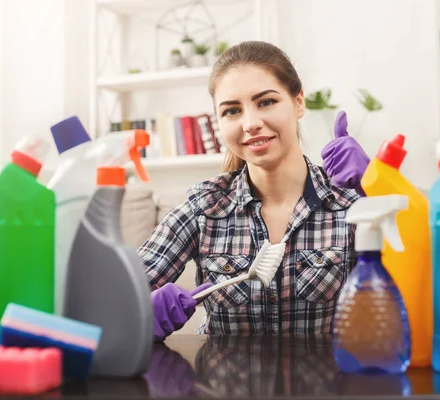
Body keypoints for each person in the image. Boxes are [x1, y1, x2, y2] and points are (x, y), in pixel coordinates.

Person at [139, 41, 370, 341]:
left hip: (327, 385)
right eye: (232, 111)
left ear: (298, 102)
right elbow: (111, 305)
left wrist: (375, 189)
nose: (250, 123)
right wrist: (139, 315)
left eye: (266, 102)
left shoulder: (347, 202)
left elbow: (419, 292)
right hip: (224, 386)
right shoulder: (206, 209)